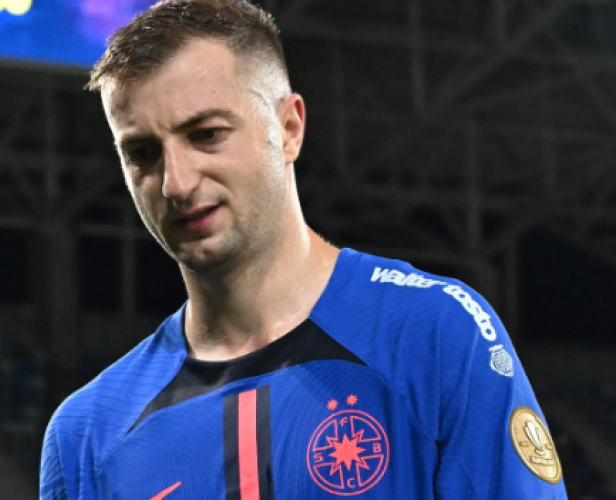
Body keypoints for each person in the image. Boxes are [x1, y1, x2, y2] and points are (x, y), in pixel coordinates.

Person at [40, 0, 567, 498]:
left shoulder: (434, 335)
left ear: (289, 128)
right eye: (142, 152)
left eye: (206, 134)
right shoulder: (86, 434)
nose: (176, 182)